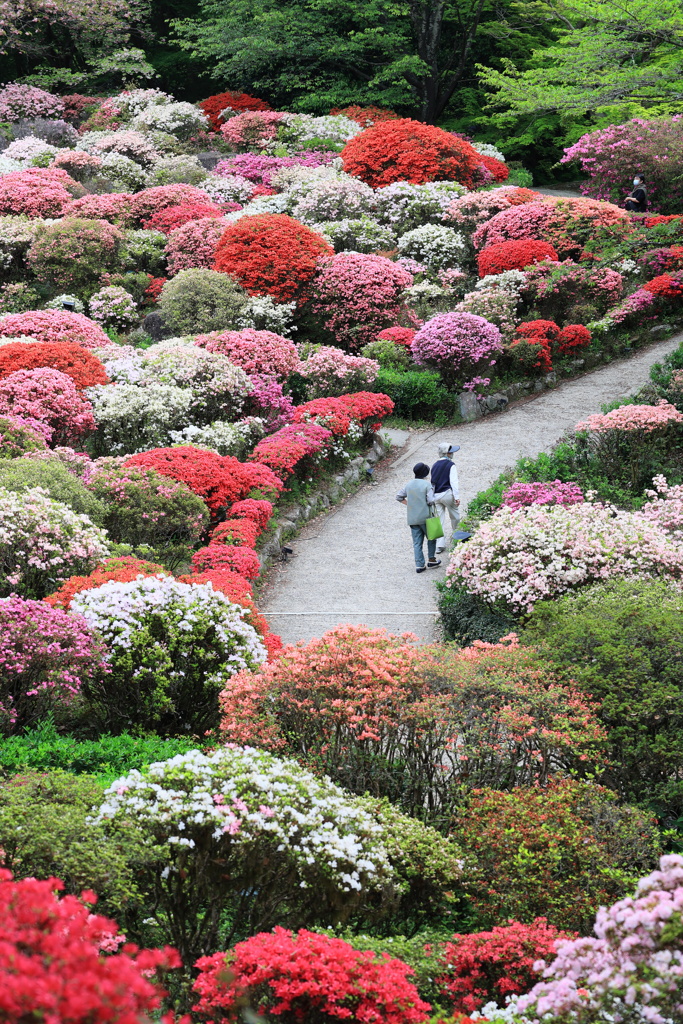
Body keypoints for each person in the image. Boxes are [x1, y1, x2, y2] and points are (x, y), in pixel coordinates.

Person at [396, 462, 442, 574]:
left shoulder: (409, 484)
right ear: (425, 473)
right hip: (426, 517)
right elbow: (430, 500)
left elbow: (398, 496)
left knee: (417, 542)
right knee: (431, 537)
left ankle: (419, 565)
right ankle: (431, 559)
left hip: (413, 517)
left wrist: (409, 504)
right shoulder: (427, 485)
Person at [431, 441, 461, 554]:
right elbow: (454, 482)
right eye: (450, 452)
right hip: (447, 494)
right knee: (455, 517)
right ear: (447, 453)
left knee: (439, 520)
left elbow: (432, 482)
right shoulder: (451, 465)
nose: (452, 454)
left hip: (436, 496)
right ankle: (457, 537)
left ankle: (440, 545)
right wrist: (456, 497)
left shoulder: (434, 465)